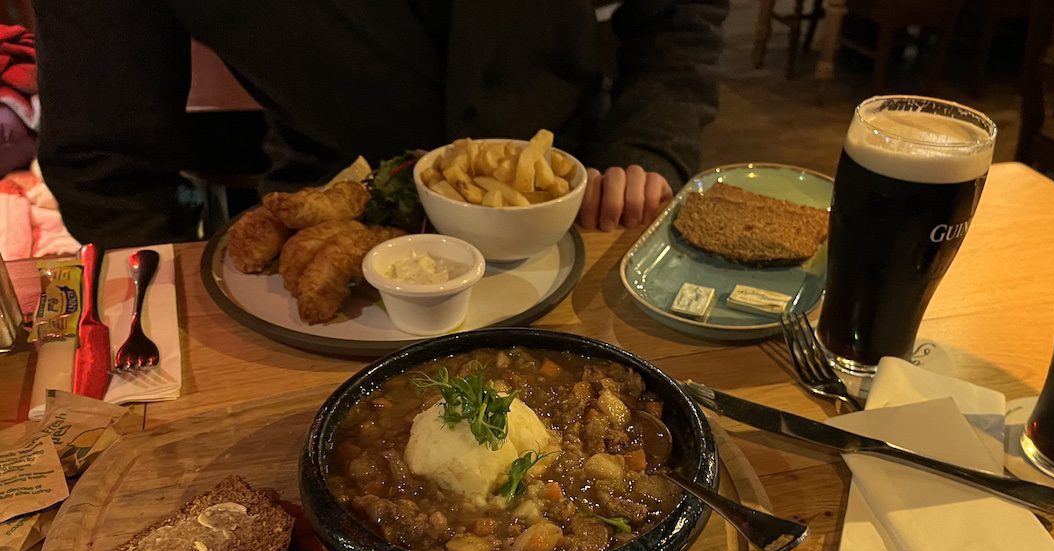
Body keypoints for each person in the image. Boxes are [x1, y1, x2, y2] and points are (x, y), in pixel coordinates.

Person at [33, 0, 729, 249]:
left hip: (580, 211)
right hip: (326, 232)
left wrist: (649, 145)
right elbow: (105, 160)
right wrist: (158, 319)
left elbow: (680, 17)